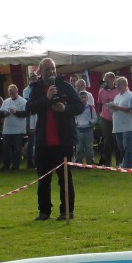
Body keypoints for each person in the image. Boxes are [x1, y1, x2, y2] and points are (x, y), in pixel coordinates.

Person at [26, 56, 83, 220]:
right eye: (47, 69)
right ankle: (44, 212)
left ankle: (67, 211)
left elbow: (79, 106)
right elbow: (30, 108)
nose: (51, 72)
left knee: (65, 179)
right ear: (40, 72)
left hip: (64, 141)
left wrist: (65, 109)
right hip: (43, 141)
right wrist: (47, 99)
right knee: (43, 179)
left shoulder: (65, 86)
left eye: (53, 68)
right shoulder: (36, 88)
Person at [109, 76, 132, 169]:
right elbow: (116, 108)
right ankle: (126, 162)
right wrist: (111, 107)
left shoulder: (130, 95)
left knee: (127, 146)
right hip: (117, 125)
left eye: (119, 84)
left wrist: (118, 108)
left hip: (127, 125)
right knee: (121, 147)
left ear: (125, 84)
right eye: (116, 85)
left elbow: (131, 109)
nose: (117, 86)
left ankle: (127, 165)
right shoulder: (117, 96)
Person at [0, 84, 27, 171]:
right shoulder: (6, 101)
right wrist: (5, 113)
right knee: (6, 149)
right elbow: (0, 113)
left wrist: (16, 112)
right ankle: (6, 165)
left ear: (17, 91)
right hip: (7, 129)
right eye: (10, 93)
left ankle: (15, 166)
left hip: (18, 130)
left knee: (17, 149)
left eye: (13, 92)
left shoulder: (23, 101)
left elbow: (25, 114)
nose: (11, 94)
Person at [96, 71, 118, 166]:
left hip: (116, 118)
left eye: (106, 78)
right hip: (105, 118)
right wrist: (99, 116)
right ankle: (107, 162)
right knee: (107, 140)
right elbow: (100, 104)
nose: (104, 80)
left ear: (112, 78)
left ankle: (119, 161)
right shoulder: (101, 90)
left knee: (117, 140)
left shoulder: (118, 90)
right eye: (104, 78)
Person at [74, 83, 98, 166]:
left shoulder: (91, 108)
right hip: (79, 130)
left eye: (85, 97)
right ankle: (79, 161)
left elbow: (95, 118)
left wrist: (90, 122)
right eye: (82, 97)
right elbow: (74, 118)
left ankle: (90, 162)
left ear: (87, 98)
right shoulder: (76, 108)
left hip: (88, 130)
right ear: (79, 98)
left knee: (89, 147)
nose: (83, 99)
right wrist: (77, 123)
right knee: (79, 147)